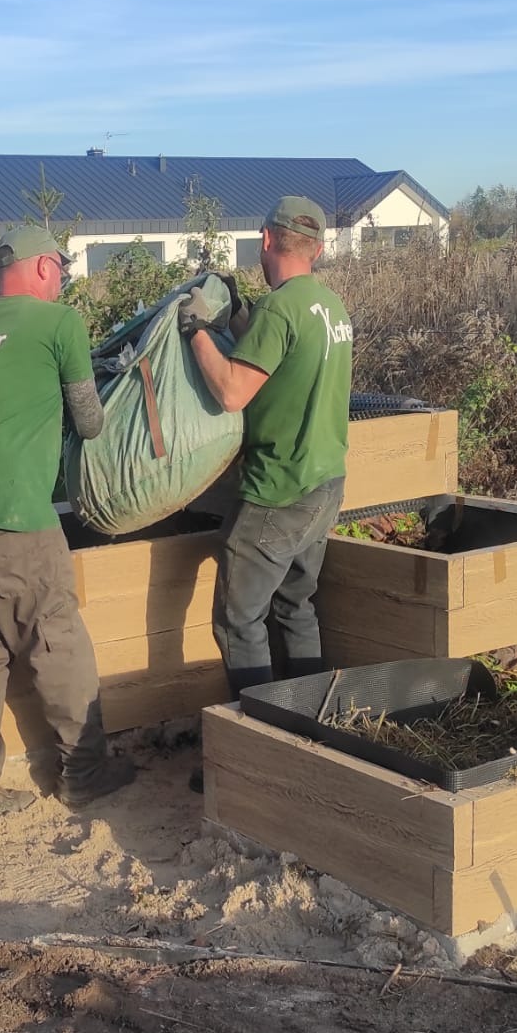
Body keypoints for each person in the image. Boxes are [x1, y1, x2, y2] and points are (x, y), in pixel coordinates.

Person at [0, 224, 134, 818]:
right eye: (62, 268)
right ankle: (86, 773)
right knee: (57, 637)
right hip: (14, 516)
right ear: (43, 268)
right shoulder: (59, 323)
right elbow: (90, 421)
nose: (64, 277)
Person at [179, 194, 353, 713]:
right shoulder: (330, 307)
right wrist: (238, 322)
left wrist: (196, 332)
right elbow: (284, 362)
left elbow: (233, 391)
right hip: (324, 484)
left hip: (277, 490)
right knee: (295, 605)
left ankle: (260, 737)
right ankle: (311, 723)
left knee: (238, 621)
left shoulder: (279, 309)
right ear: (317, 250)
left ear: (266, 239)